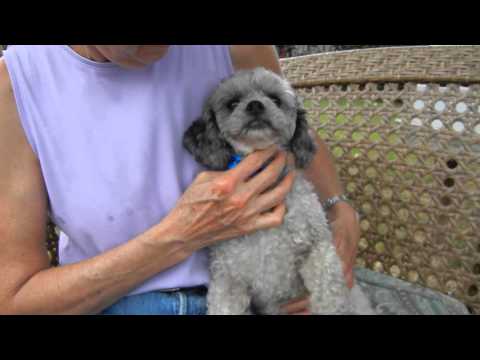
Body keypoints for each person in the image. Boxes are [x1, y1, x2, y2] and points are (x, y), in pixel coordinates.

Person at [0, 45, 361, 315]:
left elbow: (293, 129)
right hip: (114, 300)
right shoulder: (17, 86)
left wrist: (337, 207)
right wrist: (179, 236)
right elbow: (14, 299)